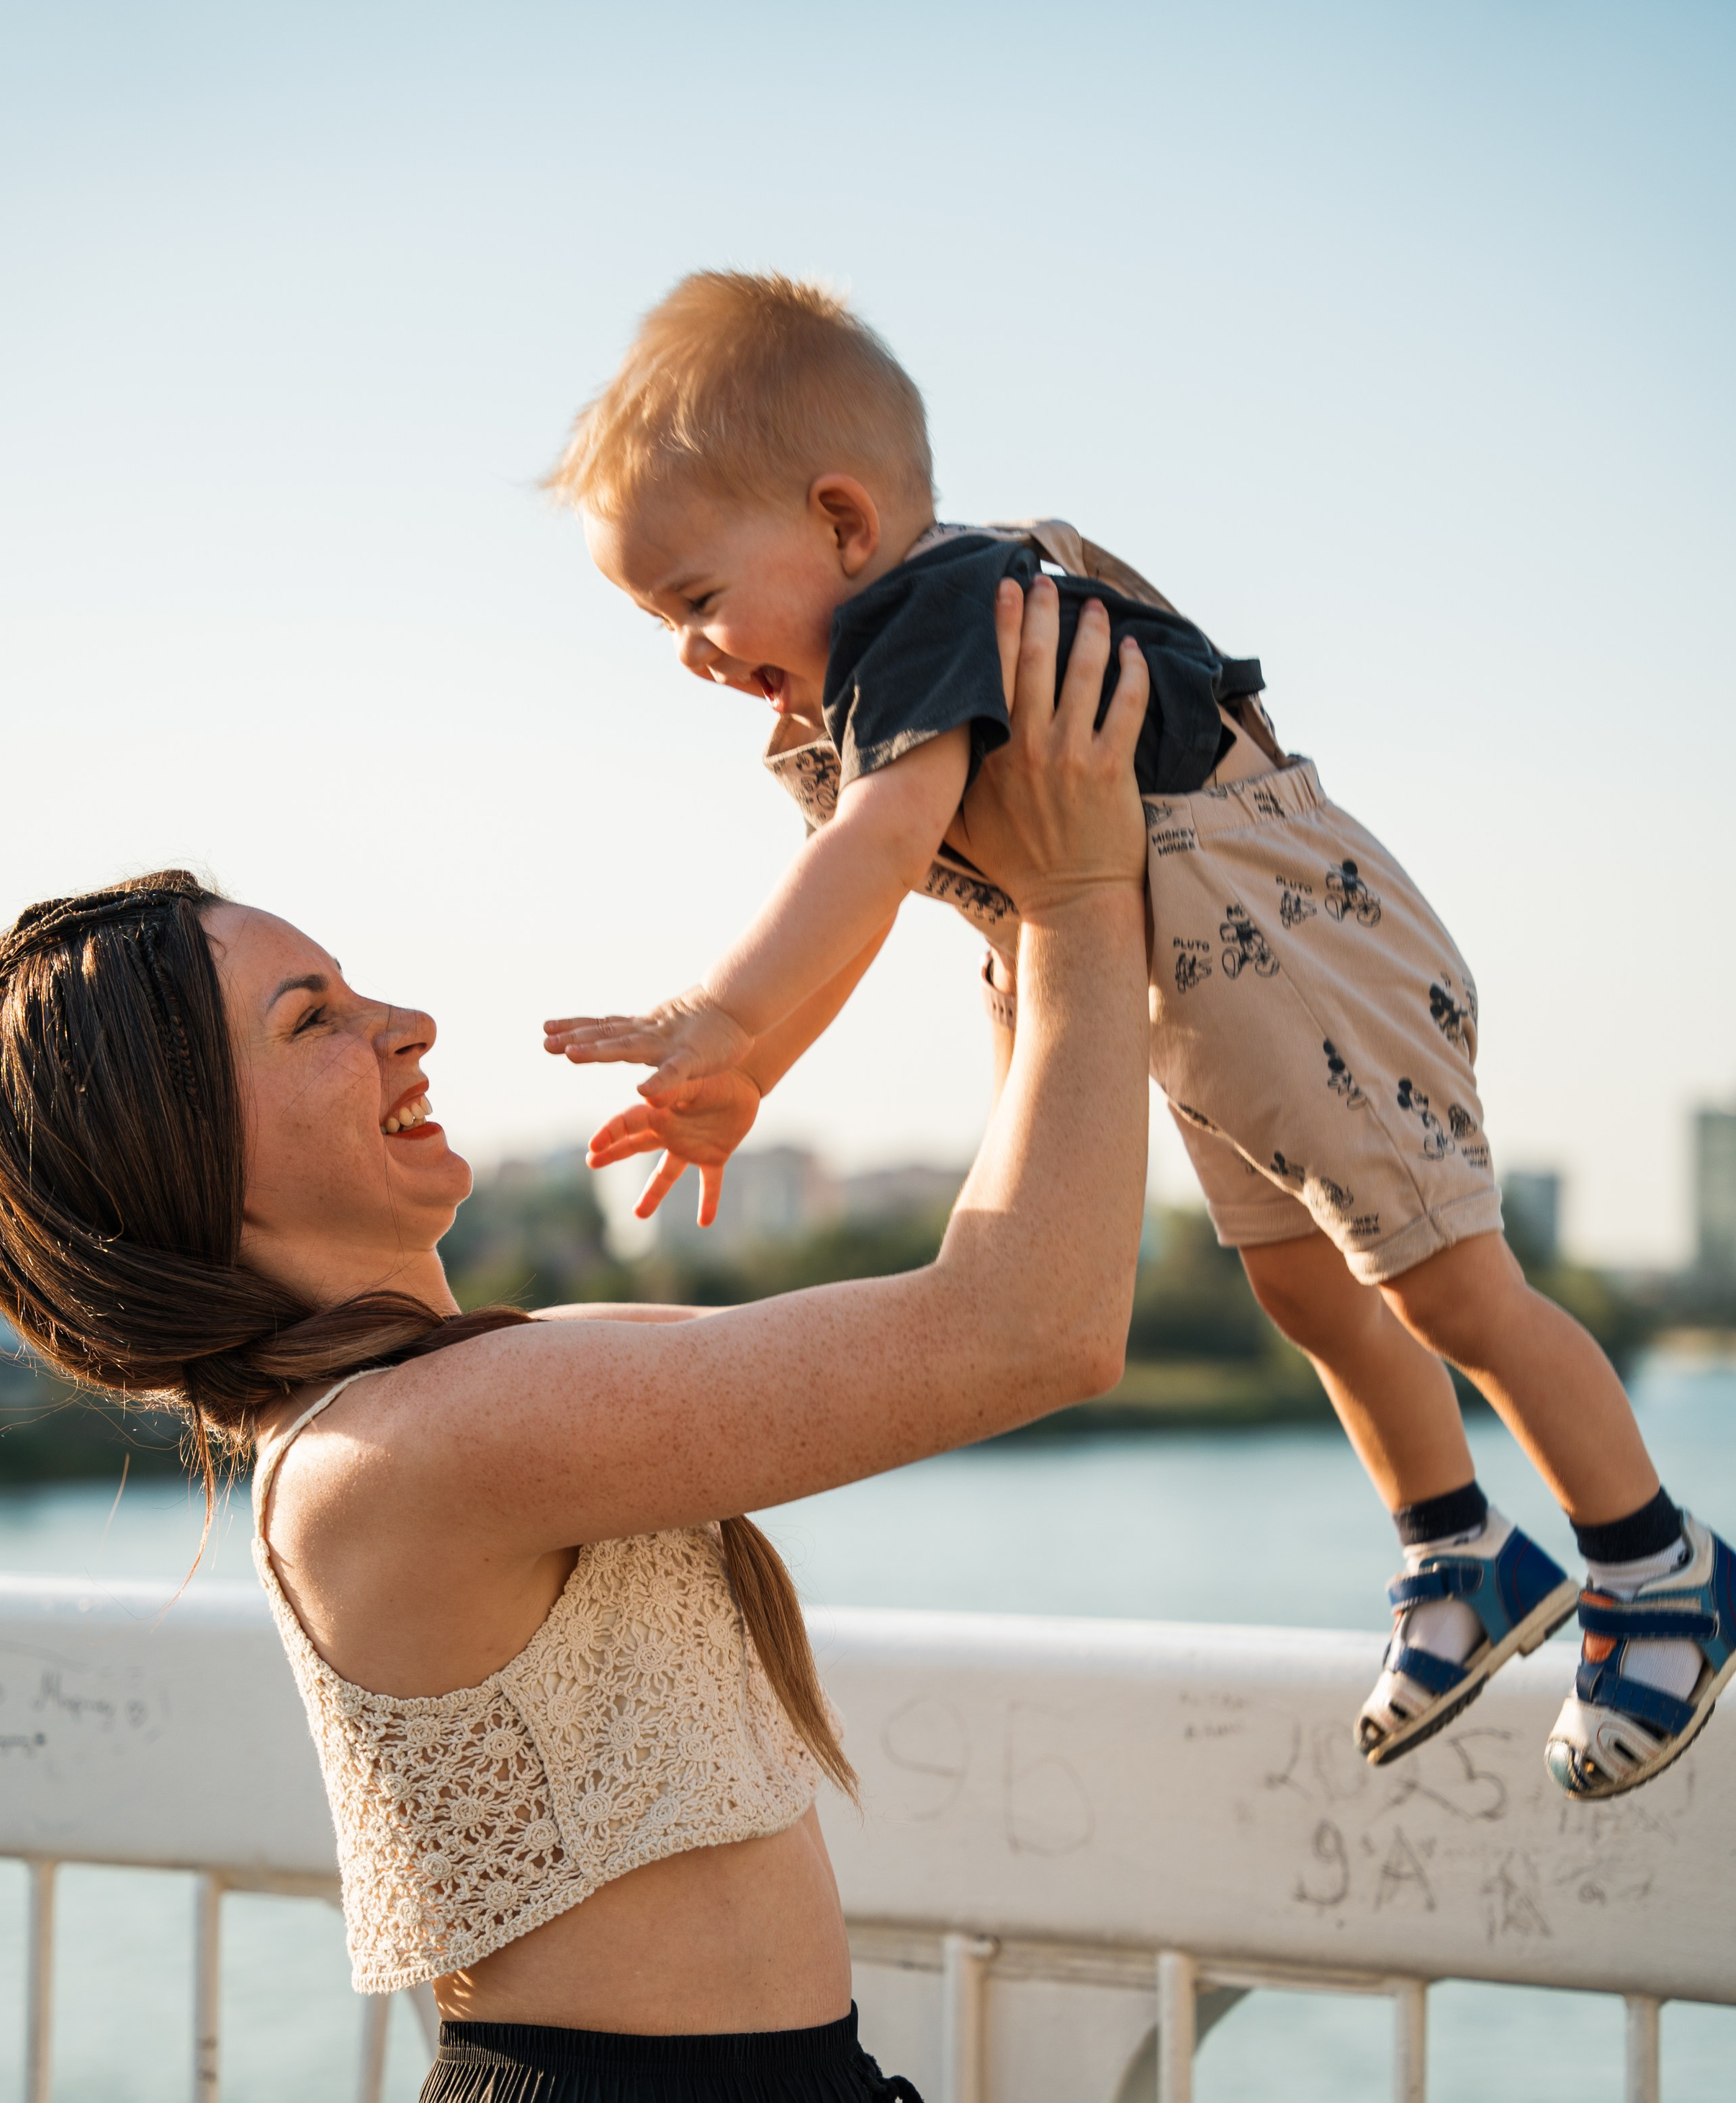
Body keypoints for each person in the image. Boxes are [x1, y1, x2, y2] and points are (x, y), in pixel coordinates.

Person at [0, 580, 1149, 2103]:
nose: (401, 1021)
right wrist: (1084, 896)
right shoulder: (421, 1450)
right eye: (310, 1020)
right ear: (177, 1164)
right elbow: (1032, 1326)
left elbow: (969, 1278)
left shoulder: (480, 1394)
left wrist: (991, 901)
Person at [541, 269, 1736, 1803]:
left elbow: (867, 856)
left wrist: (719, 1015)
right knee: (1308, 1290)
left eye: (694, 599)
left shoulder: (927, 613)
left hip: (1294, 943)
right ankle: (1459, 1550)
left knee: (1448, 1282)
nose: (690, 653)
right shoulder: (895, 663)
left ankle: (1657, 1565)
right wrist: (750, 1075)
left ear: (843, 524)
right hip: (1196, 989)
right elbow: (895, 869)